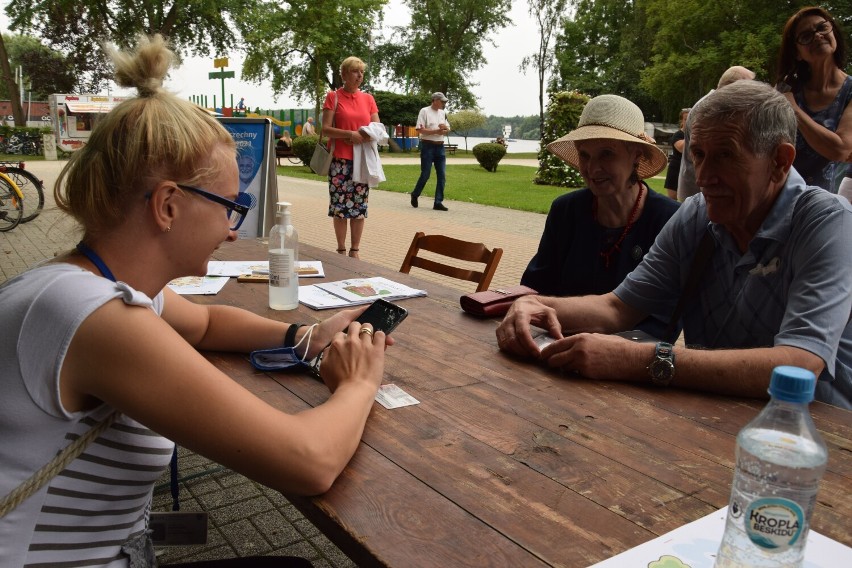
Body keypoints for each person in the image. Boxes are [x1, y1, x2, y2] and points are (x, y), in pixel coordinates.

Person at [0, 35, 393, 567]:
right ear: (167, 206)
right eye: (231, 206)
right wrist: (361, 381)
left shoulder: (87, 284)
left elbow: (205, 323)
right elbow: (309, 460)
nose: (233, 231)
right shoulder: (94, 318)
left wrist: (303, 336)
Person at [498, 81, 852, 410]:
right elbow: (618, 307)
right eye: (698, 153)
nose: (702, 176)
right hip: (716, 415)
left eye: (725, 155)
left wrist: (636, 359)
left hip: (816, 431)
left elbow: (800, 365)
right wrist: (533, 304)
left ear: (780, 161)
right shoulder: (697, 215)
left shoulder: (826, 221)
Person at [521, 94, 680, 339]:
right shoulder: (566, 211)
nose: (592, 169)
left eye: (606, 153)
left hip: (633, 363)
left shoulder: (669, 220)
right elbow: (535, 288)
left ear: (636, 155)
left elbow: (665, 319)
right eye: (584, 155)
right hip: (557, 346)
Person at [776, 6, 852, 194]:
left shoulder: (850, 90)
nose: (817, 36)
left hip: (824, 204)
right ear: (796, 53)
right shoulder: (787, 88)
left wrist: (793, 109)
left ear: (832, 30)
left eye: (822, 28)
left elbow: (840, 150)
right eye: (806, 36)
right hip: (777, 197)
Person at [320, 56, 380, 259]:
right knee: (339, 207)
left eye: (362, 72)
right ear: (344, 75)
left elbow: (377, 128)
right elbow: (326, 129)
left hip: (362, 160)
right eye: (355, 71)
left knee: (359, 207)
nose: (359, 75)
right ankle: (340, 249)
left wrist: (365, 134)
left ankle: (355, 250)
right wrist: (349, 134)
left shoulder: (368, 99)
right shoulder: (333, 97)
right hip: (339, 161)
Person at [678, 66, 755, 201]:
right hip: (698, 193)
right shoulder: (708, 108)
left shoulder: (713, 104)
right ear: (732, 88)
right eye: (747, 90)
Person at [410, 92, 451, 211]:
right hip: (427, 146)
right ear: (434, 100)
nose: (443, 103)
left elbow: (447, 128)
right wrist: (436, 131)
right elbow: (419, 129)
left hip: (440, 147)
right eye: (442, 101)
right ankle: (415, 194)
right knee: (425, 174)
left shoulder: (443, 113)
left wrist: (444, 129)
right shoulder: (424, 111)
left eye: (444, 101)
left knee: (442, 175)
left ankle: (438, 202)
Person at [664, 108, 689, 200]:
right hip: (676, 169)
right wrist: (691, 134)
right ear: (682, 121)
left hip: (689, 170)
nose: (689, 121)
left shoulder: (698, 135)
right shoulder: (677, 135)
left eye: (692, 118)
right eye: (686, 119)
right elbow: (682, 148)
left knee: (688, 200)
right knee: (672, 199)